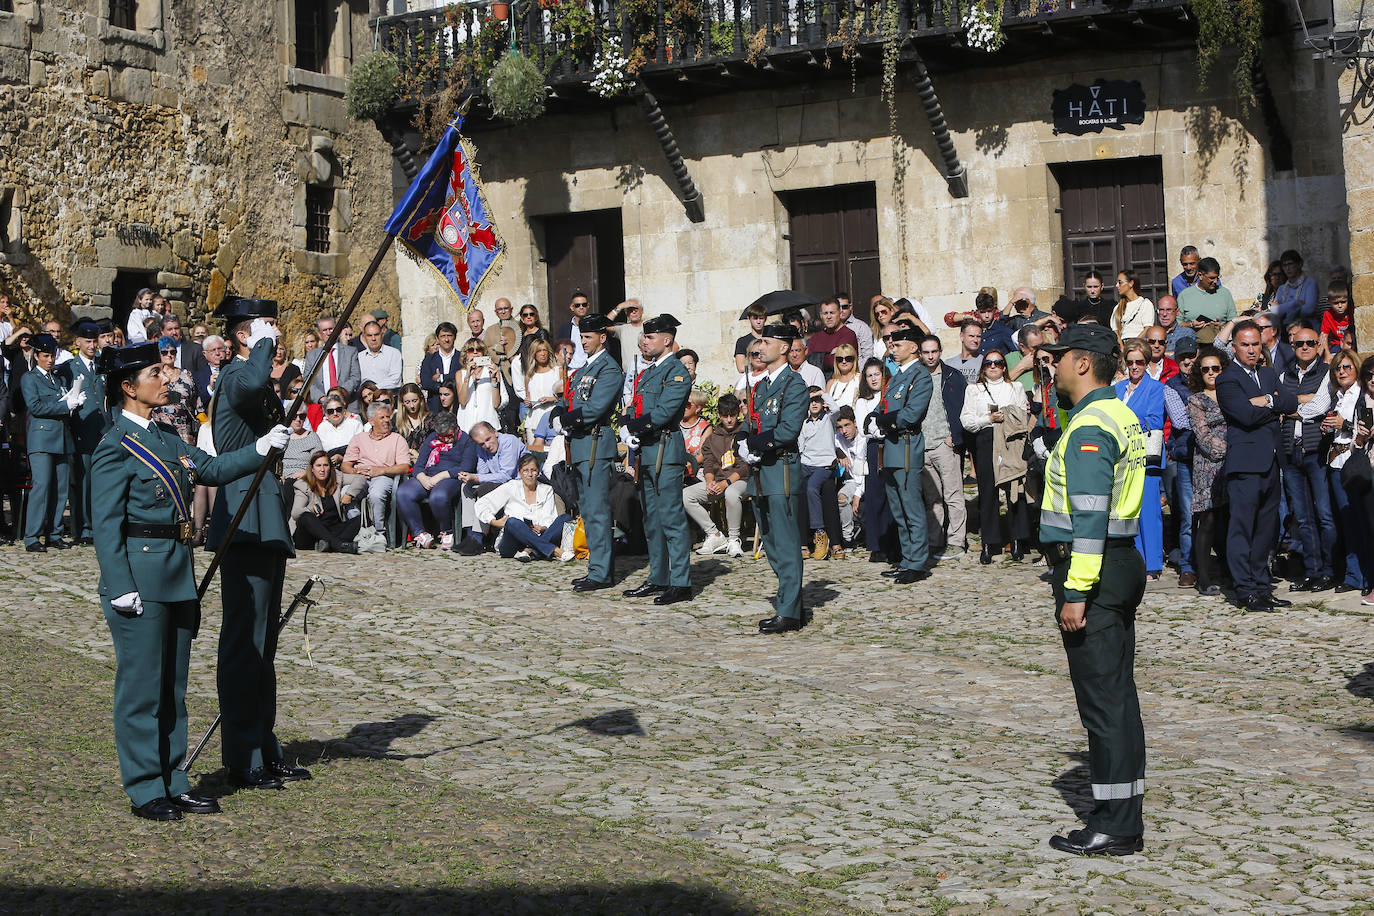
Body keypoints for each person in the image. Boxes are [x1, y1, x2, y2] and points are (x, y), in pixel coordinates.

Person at [93, 341, 286, 821]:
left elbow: (210, 469)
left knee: (172, 689)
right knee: (142, 689)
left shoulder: (164, 437)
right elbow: (105, 524)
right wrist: (119, 583)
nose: (167, 379)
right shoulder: (113, 445)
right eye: (155, 373)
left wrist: (258, 450)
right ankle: (144, 788)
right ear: (127, 386)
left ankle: (173, 780)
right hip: (140, 576)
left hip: (176, 571)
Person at [1038, 323, 1149, 857]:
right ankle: (1121, 811)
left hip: (1095, 569)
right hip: (1123, 561)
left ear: (1083, 362)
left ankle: (1116, 825)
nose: (1051, 364)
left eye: (1058, 356)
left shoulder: (1091, 423)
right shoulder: (1119, 412)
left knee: (1103, 704)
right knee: (1119, 699)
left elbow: (1088, 516)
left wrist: (1075, 592)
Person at [207, 295, 307, 790]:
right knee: (244, 640)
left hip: (266, 510)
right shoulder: (234, 374)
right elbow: (249, 387)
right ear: (244, 335)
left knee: (265, 640)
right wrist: (263, 349)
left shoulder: (254, 374)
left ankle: (265, 746)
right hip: (243, 510)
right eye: (266, 327)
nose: (276, 333)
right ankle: (241, 754)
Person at [1217, 320, 1299, 613]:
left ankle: (1262, 587)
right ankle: (1245, 590)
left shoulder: (1267, 372)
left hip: (1272, 461)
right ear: (1235, 347)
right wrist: (1271, 403)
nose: (1252, 350)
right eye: (1245, 345)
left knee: (1267, 529)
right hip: (1246, 465)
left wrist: (1264, 401)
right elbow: (1244, 415)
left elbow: (1290, 402)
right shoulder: (1227, 379)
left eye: (1255, 344)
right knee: (1242, 528)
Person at [621, 314, 694, 605]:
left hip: (665, 448)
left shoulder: (676, 371)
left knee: (672, 517)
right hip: (647, 451)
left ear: (666, 339)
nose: (644, 341)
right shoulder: (648, 372)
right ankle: (659, 576)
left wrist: (635, 426)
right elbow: (634, 404)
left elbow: (664, 412)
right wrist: (627, 423)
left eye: (650, 337)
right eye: (644, 337)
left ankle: (681, 582)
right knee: (652, 518)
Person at [741, 324, 810, 633]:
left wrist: (756, 444)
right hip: (761, 472)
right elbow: (752, 423)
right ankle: (788, 600)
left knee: (785, 542)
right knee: (769, 539)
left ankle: (790, 611)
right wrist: (743, 440)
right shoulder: (762, 386)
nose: (760, 347)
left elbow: (787, 430)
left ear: (783, 348)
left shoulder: (793, 384)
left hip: (781, 469)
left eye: (766, 342)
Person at [557, 313, 624, 591]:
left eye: (588, 337)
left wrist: (568, 418)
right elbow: (571, 399)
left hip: (595, 443)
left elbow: (595, 408)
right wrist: (561, 410)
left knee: (597, 511)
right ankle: (596, 567)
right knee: (586, 508)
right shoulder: (584, 369)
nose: (584, 342)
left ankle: (601, 572)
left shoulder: (608, 369)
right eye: (582, 337)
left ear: (602, 337)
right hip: (580, 445)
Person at [869, 326, 934, 583]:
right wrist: (872, 417)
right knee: (898, 508)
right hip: (890, 448)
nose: (892, 349)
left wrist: (883, 421)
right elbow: (883, 404)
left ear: (913, 347)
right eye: (891, 345)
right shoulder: (897, 376)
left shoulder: (920, 376)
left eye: (897, 345)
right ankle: (907, 559)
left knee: (911, 507)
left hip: (906, 446)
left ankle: (917, 563)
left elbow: (911, 414)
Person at [961, 348, 1031, 563]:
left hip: (1010, 440)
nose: (993, 366)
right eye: (989, 363)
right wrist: (988, 419)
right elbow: (967, 420)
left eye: (998, 362)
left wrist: (1009, 416)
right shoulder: (974, 390)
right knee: (988, 492)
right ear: (983, 367)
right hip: (986, 439)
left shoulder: (1015, 387)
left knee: (1014, 489)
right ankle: (989, 542)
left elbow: (1023, 414)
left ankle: (1018, 539)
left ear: (1004, 366)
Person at [1278, 325, 1334, 592]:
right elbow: (1277, 404)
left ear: (1318, 345)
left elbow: (1320, 407)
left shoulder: (1326, 373)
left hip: (1315, 451)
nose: (1304, 347)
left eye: (1310, 343)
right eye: (1300, 343)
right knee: (1302, 517)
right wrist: (1298, 402)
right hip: (1291, 452)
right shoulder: (1284, 374)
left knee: (1324, 514)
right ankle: (1313, 572)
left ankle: (1330, 570)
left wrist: (1289, 404)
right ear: (1293, 346)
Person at [1318, 349, 1372, 596]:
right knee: (1347, 523)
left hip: (1356, 464)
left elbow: (1365, 429)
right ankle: (1354, 575)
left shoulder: (1362, 395)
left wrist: (1344, 425)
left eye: (1347, 367)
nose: (1341, 372)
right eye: (1338, 368)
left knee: (1361, 522)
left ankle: (1363, 576)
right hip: (1337, 463)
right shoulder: (1338, 396)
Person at [21, 333, 80, 551]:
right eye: (46, 356)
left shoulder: (58, 380)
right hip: (42, 438)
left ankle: (54, 533)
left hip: (62, 438)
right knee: (42, 487)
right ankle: (32, 536)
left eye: (52, 356)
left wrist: (75, 403)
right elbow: (35, 407)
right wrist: (66, 407)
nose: (50, 360)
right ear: (36, 356)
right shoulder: (30, 378)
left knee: (61, 489)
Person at [1115, 340, 1168, 578]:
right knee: (1128, 510)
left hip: (1146, 456)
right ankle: (1137, 561)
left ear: (1147, 363)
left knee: (1148, 511)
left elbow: (1154, 421)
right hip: (1123, 456)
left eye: (1139, 362)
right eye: (1130, 362)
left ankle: (1153, 564)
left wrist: (1125, 420)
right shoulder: (1118, 388)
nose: (1134, 366)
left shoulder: (1155, 388)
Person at [917, 334, 967, 559]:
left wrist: (954, 435)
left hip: (944, 443)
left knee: (953, 495)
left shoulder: (952, 377)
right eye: (926, 352)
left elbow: (963, 408)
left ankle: (956, 541)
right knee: (931, 498)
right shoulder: (916, 377)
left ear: (940, 351)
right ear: (920, 354)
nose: (930, 356)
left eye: (934, 351)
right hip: (922, 444)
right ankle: (934, 541)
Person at [58, 319, 108, 545]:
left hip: (102, 431)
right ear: (78, 342)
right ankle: (84, 528)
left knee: (101, 483)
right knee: (84, 482)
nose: (92, 346)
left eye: (94, 341)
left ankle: (98, 525)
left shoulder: (102, 363)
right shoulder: (70, 368)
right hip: (82, 432)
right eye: (87, 342)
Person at [1186, 347, 1230, 596]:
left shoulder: (1230, 394)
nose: (1211, 373)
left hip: (1232, 465)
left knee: (1228, 518)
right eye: (1206, 369)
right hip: (1208, 465)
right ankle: (1203, 577)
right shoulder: (1196, 400)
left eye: (1216, 368)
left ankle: (1230, 571)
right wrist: (1232, 449)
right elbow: (1203, 436)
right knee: (1208, 519)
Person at [396, 410, 475, 550]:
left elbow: (467, 467)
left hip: (451, 477)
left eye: (449, 436)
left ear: (457, 428)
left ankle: (446, 531)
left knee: (438, 496)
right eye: (441, 436)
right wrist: (422, 477)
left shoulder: (466, 441)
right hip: (428, 475)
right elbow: (419, 465)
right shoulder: (432, 439)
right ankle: (419, 533)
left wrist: (442, 475)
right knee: (403, 492)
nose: (445, 440)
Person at [475, 452, 576, 561]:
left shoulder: (546, 489)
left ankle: (529, 551)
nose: (530, 474)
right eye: (525, 470)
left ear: (538, 472)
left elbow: (549, 514)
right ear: (519, 473)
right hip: (512, 542)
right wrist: (494, 522)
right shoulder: (511, 487)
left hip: (539, 535)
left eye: (533, 470)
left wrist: (543, 527)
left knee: (565, 518)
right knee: (512, 522)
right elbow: (482, 504)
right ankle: (556, 551)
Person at [685, 392, 749, 557]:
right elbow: (708, 464)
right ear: (719, 415)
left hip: (742, 481)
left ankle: (734, 539)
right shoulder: (713, 438)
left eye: (732, 415)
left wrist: (726, 483)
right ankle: (715, 535)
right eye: (725, 416)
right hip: (719, 481)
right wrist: (710, 482)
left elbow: (746, 466)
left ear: (738, 414)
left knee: (731, 493)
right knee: (686, 495)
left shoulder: (745, 432)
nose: (729, 420)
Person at [341, 403, 411, 543]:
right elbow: (345, 465)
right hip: (361, 477)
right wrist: (356, 471)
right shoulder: (359, 439)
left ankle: (379, 534)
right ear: (371, 421)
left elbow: (404, 467)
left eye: (387, 417)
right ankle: (357, 529)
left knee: (376, 494)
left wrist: (381, 470)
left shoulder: (397, 439)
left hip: (384, 476)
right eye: (382, 417)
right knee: (345, 493)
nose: (386, 420)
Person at [854, 358, 897, 561]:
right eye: (869, 375)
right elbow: (865, 427)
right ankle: (876, 544)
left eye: (877, 374)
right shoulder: (863, 401)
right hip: (873, 448)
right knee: (875, 495)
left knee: (892, 495)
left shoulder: (890, 395)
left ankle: (893, 544)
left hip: (891, 444)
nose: (873, 378)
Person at [290, 451, 363, 553]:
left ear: (330, 467)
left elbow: (360, 479)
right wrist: (311, 508)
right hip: (309, 535)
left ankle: (327, 544)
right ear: (312, 469)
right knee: (305, 516)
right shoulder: (302, 485)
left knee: (359, 520)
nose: (322, 470)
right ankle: (338, 545)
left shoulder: (337, 477)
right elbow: (295, 513)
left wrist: (349, 494)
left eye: (325, 465)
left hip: (333, 529)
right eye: (318, 466)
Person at [798, 386, 839, 561]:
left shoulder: (828, 419)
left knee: (812, 488)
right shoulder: (804, 423)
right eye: (810, 401)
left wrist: (821, 394)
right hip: (806, 464)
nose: (814, 403)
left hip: (823, 465)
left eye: (816, 401)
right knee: (796, 490)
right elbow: (801, 446)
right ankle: (799, 539)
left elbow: (836, 409)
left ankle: (820, 532)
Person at [150, 335, 200, 444]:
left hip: (185, 429)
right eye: (164, 352)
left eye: (172, 352)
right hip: (162, 429)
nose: (169, 355)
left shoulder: (186, 375)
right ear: (159, 354)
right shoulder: (154, 377)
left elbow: (196, 401)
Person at [304, 314, 360, 406]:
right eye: (324, 330)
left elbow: (355, 377)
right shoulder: (312, 356)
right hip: (321, 405)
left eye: (331, 329)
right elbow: (307, 380)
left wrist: (339, 394)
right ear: (319, 334)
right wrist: (321, 398)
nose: (329, 333)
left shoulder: (350, 352)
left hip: (347, 403)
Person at [1177, 258, 1237, 338]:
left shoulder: (1225, 294)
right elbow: (1178, 323)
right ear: (1200, 275)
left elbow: (1234, 321)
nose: (1215, 281)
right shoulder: (1184, 295)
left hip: (1219, 343)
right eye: (1211, 278)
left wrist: (1222, 327)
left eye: (1217, 277)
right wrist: (1191, 325)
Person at [519, 338, 562, 445]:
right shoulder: (529, 375)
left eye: (545, 350)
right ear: (534, 354)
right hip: (534, 420)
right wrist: (527, 402)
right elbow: (528, 397)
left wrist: (551, 399)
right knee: (535, 456)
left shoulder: (557, 371)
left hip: (552, 419)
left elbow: (564, 397)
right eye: (539, 351)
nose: (542, 354)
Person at [456, 339, 505, 433]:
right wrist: (468, 376)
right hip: (467, 424)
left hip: (488, 422)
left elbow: (496, 404)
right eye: (471, 350)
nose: (475, 352)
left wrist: (494, 378)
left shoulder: (492, 370)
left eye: (479, 349)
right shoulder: (460, 374)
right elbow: (462, 401)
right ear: (466, 354)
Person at [1271, 249, 1321, 327]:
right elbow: (1274, 311)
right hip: (1286, 330)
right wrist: (1296, 303)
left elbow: (1308, 310)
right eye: (1284, 265)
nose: (1287, 268)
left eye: (1290, 264)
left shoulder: (1310, 283)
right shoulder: (1282, 289)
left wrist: (1283, 307)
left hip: (1307, 329)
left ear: (1299, 264)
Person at [808, 299, 859, 375]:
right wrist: (829, 355)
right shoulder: (815, 338)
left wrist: (818, 358)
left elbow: (835, 362)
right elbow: (808, 362)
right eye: (825, 313)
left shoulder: (848, 335)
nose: (829, 317)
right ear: (821, 315)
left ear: (840, 313)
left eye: (832, 313)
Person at [419, 321, 461, 413]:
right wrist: (448, 384)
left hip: (458, 407)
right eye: (443, 336)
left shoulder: (461, 358)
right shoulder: (429, 359)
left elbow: (462, 379)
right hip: (435, 407)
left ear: (454, 337)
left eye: (449, 335)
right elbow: (425, 382)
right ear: (437, 339)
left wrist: (440, 378)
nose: (446, 339)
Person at [357, 320, 404, 393]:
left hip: (388, 397)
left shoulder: (393, 353)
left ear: (382, 334)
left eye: (376, 334)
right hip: (365, 400)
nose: (373, 339)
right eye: (369, 335)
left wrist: (374, 389)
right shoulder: (359, 357)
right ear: (364, 337)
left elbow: (395, 380)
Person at [316, 393, 364, 462]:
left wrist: (342, 458)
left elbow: (361, 449)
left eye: (338, 409)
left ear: (344, 410)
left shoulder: (355, 424)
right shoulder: (322, 427)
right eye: (330, 411)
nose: (335, 413)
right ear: (326, 414)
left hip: (351, 463)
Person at [281, 405, 323, 482]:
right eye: (294, 416)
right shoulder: (281, 437)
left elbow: (319, 462)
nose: (298, 419)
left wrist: (306, 474)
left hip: (304, 477)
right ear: (287, 416)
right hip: (282, 477)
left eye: (302, 416)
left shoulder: (312, 437)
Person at [1112, 270, 1156, 342]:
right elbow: (1116, 332)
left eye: (1120, 282)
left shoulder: (1145, 304)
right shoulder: (1118, 308)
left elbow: (1147, 328)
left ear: (1131, 283)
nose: (1117, 285)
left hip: (1140, 344)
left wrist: (1134, 345)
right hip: (1123, 346)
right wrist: (1122, 348)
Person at [1320, 279, 1357, 357]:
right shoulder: (1328, 315)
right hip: (1336, 345)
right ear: (1329, 301)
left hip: (1352, 343)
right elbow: (1324, 336)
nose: (1340, 306)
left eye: (1343, 302)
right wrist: (1327, 354)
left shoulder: (1353, 311)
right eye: (1336, 303)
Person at [556, 292, 593, 370]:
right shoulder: (564, 329)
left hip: (588, 370)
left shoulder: (594, 327)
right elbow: (559, 350)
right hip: (570, 370)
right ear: (572, 307)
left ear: (588, 306)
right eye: (577, 305)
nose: (581, 307)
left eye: (584, 305)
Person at [395, 382, 433, 457]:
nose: (411, 406)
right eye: (407, 402)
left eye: (415, 401)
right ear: (402, 402)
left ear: (421, 399)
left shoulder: (431, 420)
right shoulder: (396, 421)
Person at [837, 293, 875, 362]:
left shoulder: (862, 327)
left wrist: (859, 371)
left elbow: (868, 355)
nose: (841, 310)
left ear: (850, 306)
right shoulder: (831, 328)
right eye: (838, 307)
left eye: (844, 307)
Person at [945, 320, 984, 385]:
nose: (975, 340)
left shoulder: (986, 362)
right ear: (962, 336)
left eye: (978, 336)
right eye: (971, 336)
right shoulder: (949, 364)